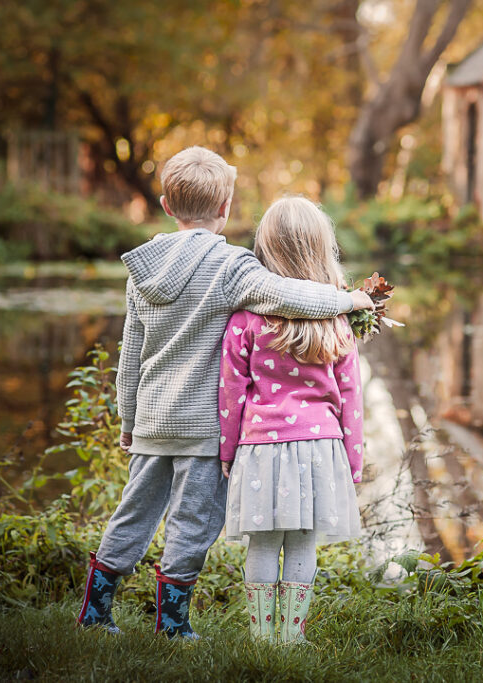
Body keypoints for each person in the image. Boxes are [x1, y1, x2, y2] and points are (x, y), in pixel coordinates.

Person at [76, 147, 374, 640]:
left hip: (152, 421)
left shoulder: (144, 268)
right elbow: (289, 296)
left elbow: (131, 355)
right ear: (227, 206)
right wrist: (349, 300)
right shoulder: (231, 265)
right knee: (192, 524)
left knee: (134, 513)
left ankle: (94, 612)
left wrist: (127, 419)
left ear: (168, 207)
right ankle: (171, 624)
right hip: (201, 427)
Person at [218, 196, 365, 645]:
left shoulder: (246, 318)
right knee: (302, 540)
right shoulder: (338, 322)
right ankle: (291, 638)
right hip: (321, 447)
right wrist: (354, 461)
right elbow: (351, 399)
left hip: (260, 446)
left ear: (265, 248)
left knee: (262, 542)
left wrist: (227, 454)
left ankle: (262, 637)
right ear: (323, 250)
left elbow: (231, 393)